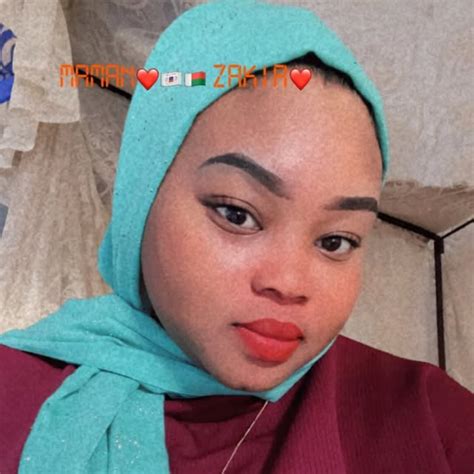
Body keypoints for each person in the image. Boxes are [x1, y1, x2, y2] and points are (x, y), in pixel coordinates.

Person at [0, 0, 473, 473]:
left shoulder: (431, 422)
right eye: (237, 214)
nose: (288, 283)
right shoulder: (12, 394)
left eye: (336, 241)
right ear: (142, 196)